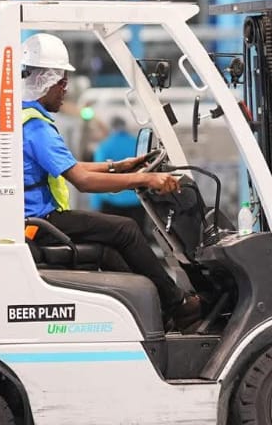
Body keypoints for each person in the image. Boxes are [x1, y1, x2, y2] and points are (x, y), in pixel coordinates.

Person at [20, 33, 202, 324]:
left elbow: (70, 166)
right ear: (45, 81)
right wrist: (145, 180)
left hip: (36, 219)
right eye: (62, 82)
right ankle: (177, 303)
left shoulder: (25, 119)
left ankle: (151, 312)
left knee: (111, 250)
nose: (66, 89)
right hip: (41, 223)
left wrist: (118, 166)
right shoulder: (37, 129)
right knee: (127, 229)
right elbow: (82, 181)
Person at [92, 117, 144, 226]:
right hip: (136, 200)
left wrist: (95, 204)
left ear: (111, 127)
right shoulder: (136, 143)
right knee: (136, 233)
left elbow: (97, 175)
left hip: (111, 202)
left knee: (113, 235)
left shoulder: (104, 146)